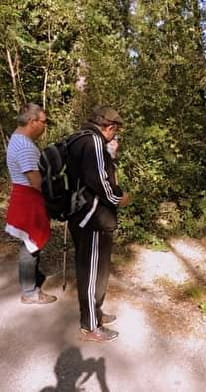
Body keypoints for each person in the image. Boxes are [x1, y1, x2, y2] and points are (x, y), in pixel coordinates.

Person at [67, 105, 130, 342]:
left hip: (80, 214)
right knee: (93, 272)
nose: (115, 137)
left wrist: (110, 155)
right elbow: (100, 182)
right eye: (115, 131)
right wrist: (119, 197)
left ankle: (96, 313)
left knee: (93, 269)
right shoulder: (93, 142)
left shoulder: (77, 139)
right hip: (92, 217)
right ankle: (91, 325)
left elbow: (87, 174)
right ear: (109, 127)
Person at [5, 103, 57, 304]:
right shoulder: (24, 146)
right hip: (28, 200)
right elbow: (37, 182)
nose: (45, 126)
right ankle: (30, 292)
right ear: (32, 121)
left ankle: (31, 281)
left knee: (30, 244)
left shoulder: (17, 139)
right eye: (44, 122)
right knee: (30, 245)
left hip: (24, 197)